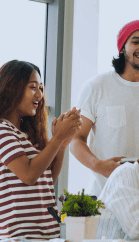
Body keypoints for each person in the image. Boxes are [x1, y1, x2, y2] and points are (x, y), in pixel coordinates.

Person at [71, 20, 139, 197]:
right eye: (136, 42)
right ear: (122, 48)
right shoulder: (96, 87)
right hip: (107, 197)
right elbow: (76, 139)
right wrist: (98, 165)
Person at [0, 60, 82, 239]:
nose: (39, 94)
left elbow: (46, 182)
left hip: (46, 235)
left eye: (41, 88)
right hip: (20, 236)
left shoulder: (27, 135)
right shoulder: (2, 131)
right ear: (12, 87)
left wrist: (61, 145)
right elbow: (29, 175)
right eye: (32, 87)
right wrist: (58, 137)